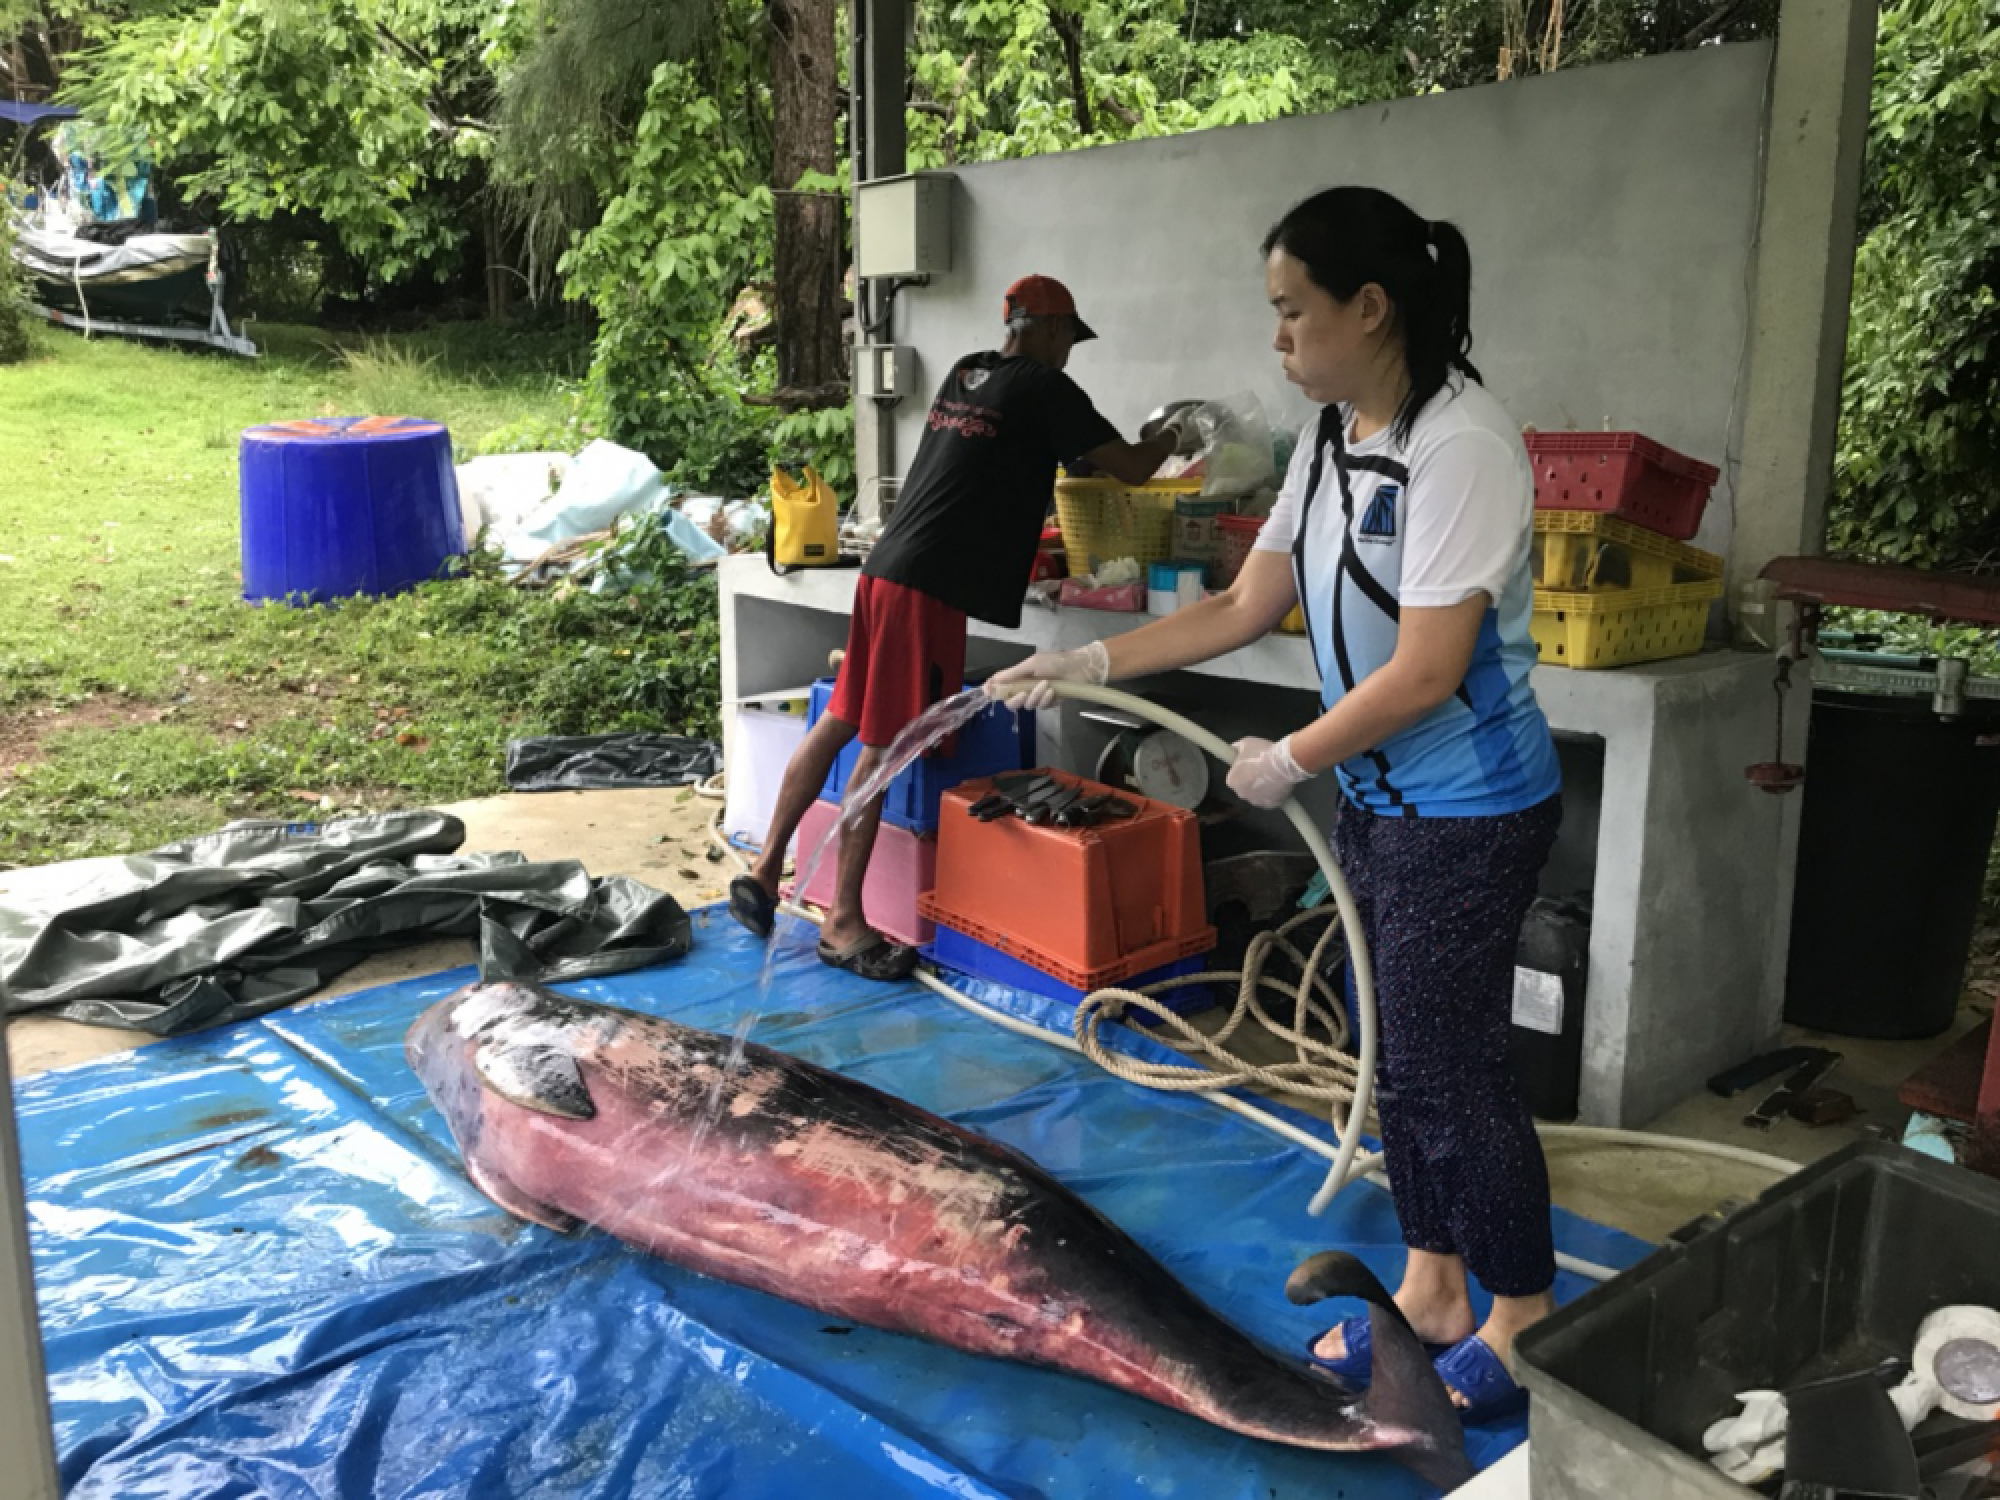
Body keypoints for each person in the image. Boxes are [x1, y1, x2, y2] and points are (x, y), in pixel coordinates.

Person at [988, 187, 1562, 1423]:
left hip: (1469, 807)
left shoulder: (1459, 444)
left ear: (1371, 306)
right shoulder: (1332, 438)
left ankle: (1520, 1316)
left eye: (1294, 310)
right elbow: (1246, 605)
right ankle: (1431, 1289)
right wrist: (1089, 661)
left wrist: (1292, 756)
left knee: (1451, 1065)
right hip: (1380, 797)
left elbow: (1428, 669)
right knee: (1392, 1051)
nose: (1278, 337)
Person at [730, 274, 1187, 980]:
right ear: (1052, 329)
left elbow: (1029, 459)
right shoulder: (1045, 384)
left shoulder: (969, 372)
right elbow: (1129, 468)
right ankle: (844, 923)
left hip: (886, 568)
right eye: (1068, 336)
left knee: (842, 719)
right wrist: (1174, 434)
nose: (1069, 350)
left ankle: (764, 872)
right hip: (929, 586)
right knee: (885, 749)